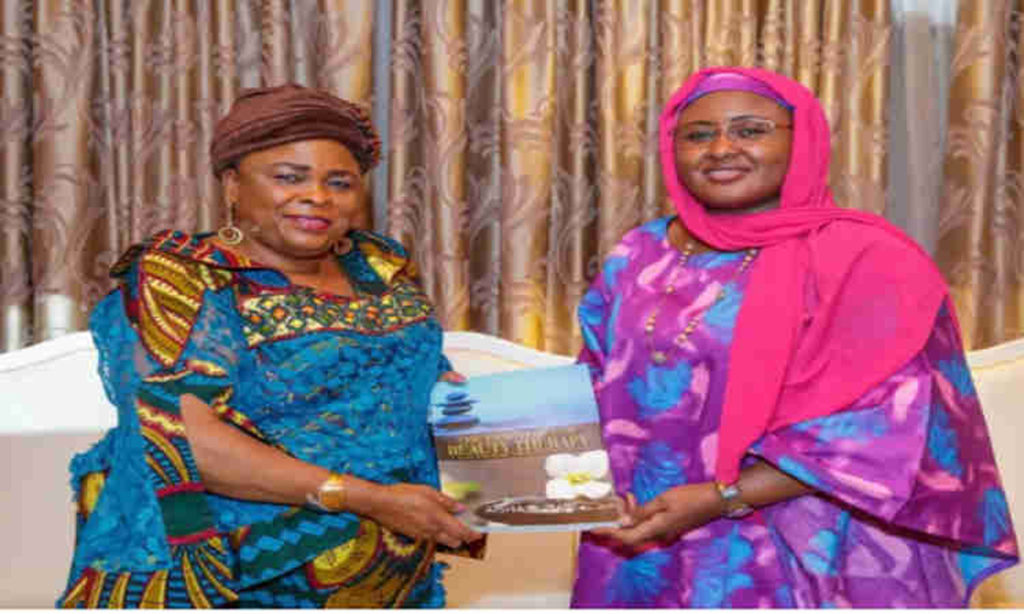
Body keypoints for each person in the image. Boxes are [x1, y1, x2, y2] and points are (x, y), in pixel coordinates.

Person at [571, 66, 1019, 608]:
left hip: (818, 544)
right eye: (697, 134)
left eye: (750, 129)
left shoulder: (868, 260)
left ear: (801, 138)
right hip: (650, 535)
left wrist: (723, 497)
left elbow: (882, 422)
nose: (721, 148)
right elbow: (587, 383)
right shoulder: (640, 253)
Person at [57, 84, 481, 609]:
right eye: (289, 177)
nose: (318, 197)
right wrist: (368, 499)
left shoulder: (378, 267)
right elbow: (187, 440)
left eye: (340, 182)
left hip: (391, 578)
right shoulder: (183, 278)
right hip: (235, 583)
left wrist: (468, 415)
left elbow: (415, 378)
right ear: (233, 184)